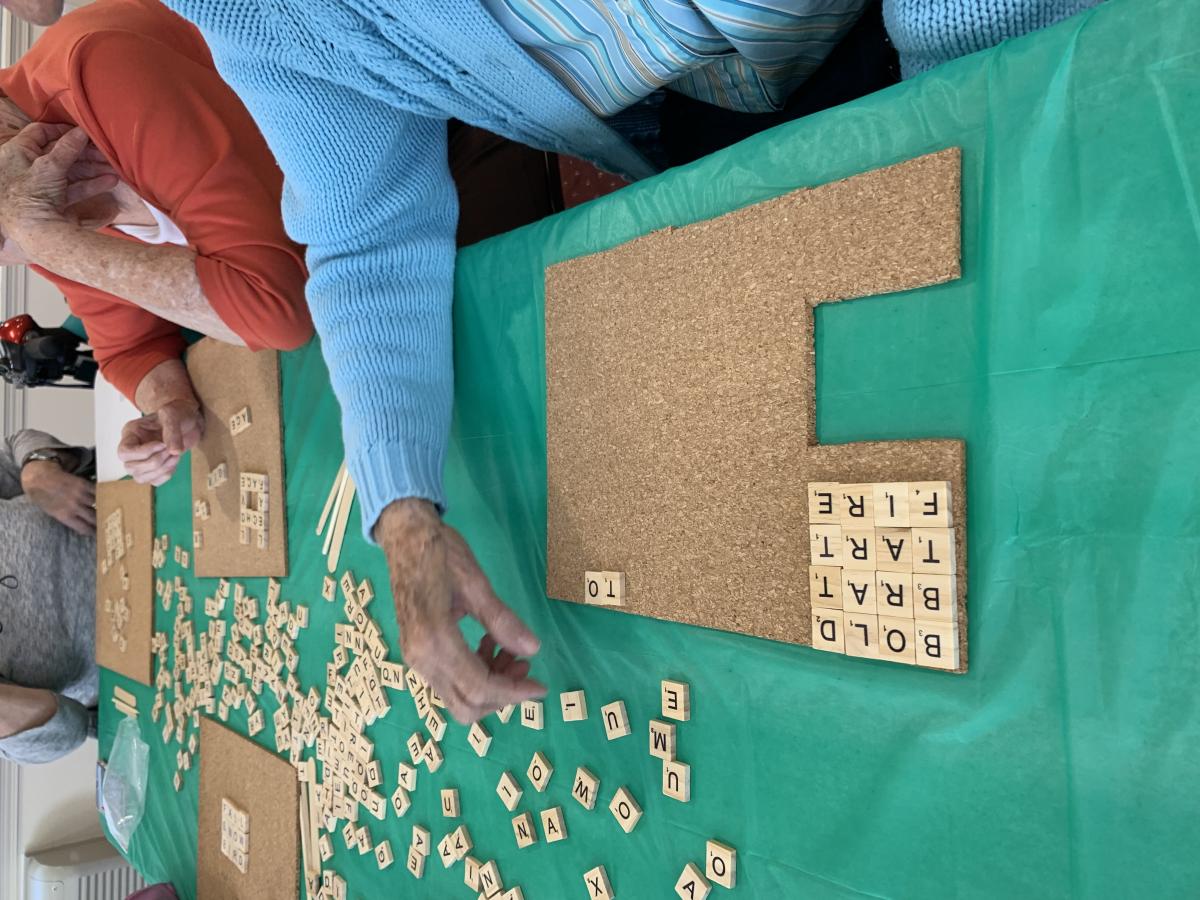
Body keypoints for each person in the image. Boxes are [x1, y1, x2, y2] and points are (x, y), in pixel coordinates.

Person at [156, 0, 1100, 724]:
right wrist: (404, 513)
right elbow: (364, 238)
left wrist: (983, 109)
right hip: (716, 102)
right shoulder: (248, 14)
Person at [0, 0, 314, 488]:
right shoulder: (22, 201)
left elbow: (282, 308)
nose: (9, 256)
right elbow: (128, 345)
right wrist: (167, 400)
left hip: (434, 154)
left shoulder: (94, 72)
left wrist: (53, 244)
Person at [0, 428, 98, 764]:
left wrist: (37, 469)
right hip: (159, 663)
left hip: (148, 515)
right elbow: (70, 727)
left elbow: (17, 445)